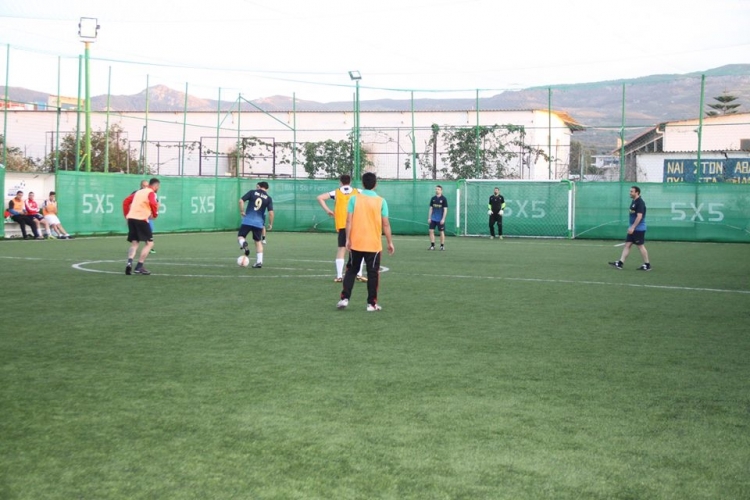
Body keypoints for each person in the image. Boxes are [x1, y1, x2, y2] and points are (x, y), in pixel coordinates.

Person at [337, 172, 395, 312]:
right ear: (375, 184)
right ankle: (371, 304)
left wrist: (348, 239)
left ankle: (344, 299)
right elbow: (386, 224)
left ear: (363, 184)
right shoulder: (381, 201)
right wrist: (390, 242)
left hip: (356, 242)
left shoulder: (354, 199)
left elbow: (348, 221)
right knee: (372, 273)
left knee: (351, 271)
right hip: (373, 244)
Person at [316, 174, 366, 283]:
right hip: (355, 224)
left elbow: (320, 198)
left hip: (343, 225)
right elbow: (370, 196)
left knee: (341, 249)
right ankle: (359, 274)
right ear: (350, 181)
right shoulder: (358, 191)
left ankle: (339, 276)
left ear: (340, 182)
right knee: (359, 249)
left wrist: (328, 210)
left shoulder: (336, 192)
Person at [123, 178, 160, 275]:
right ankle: (139, 266)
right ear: (156, 186)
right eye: (158, 187)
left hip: (131, 219)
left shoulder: (138, 192)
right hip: (141, 219)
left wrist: (127, 215)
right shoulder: (151, 193)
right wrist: (155, 214)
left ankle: (129, 263)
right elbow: (153, 203)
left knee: (134, 244)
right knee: (150, 244)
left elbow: (126, 202)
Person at [609, 185, 651, 271]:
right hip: (632, 228)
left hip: (638, 229)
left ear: (637, 192)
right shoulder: (634, 201)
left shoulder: (640, 203)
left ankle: (647, 265)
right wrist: (631, 227)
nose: (630, 193)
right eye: (630, 191)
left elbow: (639, 216)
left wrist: (633, 227)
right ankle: (620, 263)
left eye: (632, 191)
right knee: (627, 245)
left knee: (640, 246)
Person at [238, 181, 274, 268]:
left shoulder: (252, 192)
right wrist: (270, 224)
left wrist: (242, 211)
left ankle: (243, 243)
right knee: (258, 242)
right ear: (267, 188)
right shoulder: (268, 198)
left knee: (241, 237)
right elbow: (271, 213)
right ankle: (259, 262)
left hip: (248, 220)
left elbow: (241, 201)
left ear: (259, 186)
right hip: (258, 223)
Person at [428, 185, 448, 250]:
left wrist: (443, 219)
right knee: (431, 231)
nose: (437, 190)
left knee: (441, 232)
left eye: (438, 189)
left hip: (440, 219)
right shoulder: (433, 198)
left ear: (441, 191)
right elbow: (431, 208)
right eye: (436, 189)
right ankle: (432, 246)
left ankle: (442, 246)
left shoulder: (444, 199)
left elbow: (445, 210)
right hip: (433, 218)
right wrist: (429, 218)